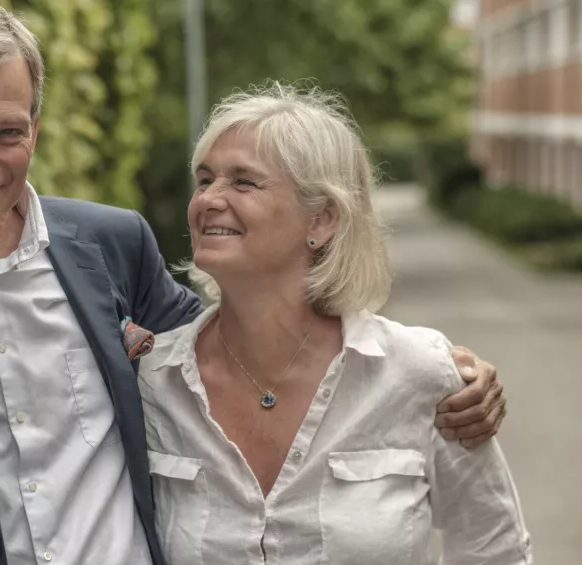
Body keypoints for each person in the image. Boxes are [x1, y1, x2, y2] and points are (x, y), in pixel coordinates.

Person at [0, 2, 505, 564]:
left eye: (7, 132)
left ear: (35, 127)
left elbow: (250, 330)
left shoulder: (110, 246)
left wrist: (454, 371)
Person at [137, 83, 532, 565]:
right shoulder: (153, 382)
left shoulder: (422, 375)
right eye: (204, 179)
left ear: (321, 221)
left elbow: (495, 549)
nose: (209, 200)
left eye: (244, 182)